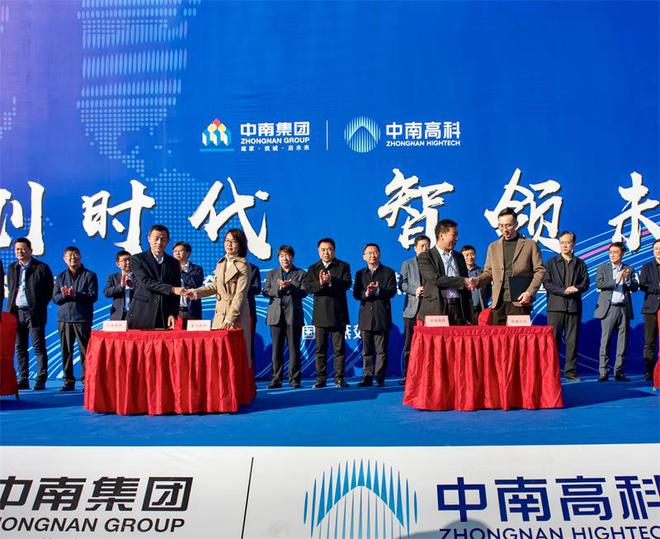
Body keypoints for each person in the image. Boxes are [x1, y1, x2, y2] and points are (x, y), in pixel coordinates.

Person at [186, 229, 253, 364]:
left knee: (235, 356)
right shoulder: (221, 263)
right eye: (227, 241)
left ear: (240, 244)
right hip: (220, 314)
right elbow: (215, 287)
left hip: (236, 316)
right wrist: (195, 292)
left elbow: (240, 294)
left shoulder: (244, 266)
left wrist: (230, 317)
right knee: (220, 356)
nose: (229, 244)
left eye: (233, 241)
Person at [476, 208, 546, 325]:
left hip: (520, 302)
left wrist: (529, 292)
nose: (504, 229)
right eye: (501, 226)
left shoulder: (530, 245)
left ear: (516, 224)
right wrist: (477, 281)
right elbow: (488, 273)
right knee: (498, 336)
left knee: (519, 336)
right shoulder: (493, 247)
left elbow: (540, 271)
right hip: (498, 303)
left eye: (508, 225)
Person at [6, 237, 54, 390]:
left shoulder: (41, 267)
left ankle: (41, 379)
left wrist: (38, 305)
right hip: (16, 313)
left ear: (30, 250)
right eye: (17, 249)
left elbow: (49, 290)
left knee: (38, 346)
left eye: (23, 249)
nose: (20, 251)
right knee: (20, 347)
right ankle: (23, 379)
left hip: (34, 313)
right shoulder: (12, 268)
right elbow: (12, 289)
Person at [304, 238, 352, 388]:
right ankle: (320, 379)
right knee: (320, 349)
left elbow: (347, 284)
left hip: (338, 314)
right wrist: (321, 283)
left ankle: (339, 379)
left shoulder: (343, 266)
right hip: (321, 315)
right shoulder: (313, 268)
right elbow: (308, 287)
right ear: (318, 251)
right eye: (323, 250)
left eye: (329, 249)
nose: (326, 252)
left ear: (334, 251)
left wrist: (331, 281)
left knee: (339, 349)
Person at [542, 231, 590, 382]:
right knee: (553, 341)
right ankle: (552, 372)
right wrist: (563, 290)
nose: (564, 245)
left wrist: (576, 288)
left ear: (573, 244)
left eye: (568, 242)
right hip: (555, 307)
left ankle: (570, 372)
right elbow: (547, 283)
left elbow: (585, 283)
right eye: (562, 242)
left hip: (574, 306)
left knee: (572, 341)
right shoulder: (551, 263)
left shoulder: (580, 264)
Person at [52, 246, 98, 391]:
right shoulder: (60, 276)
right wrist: (64, 295)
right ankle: (68, 381)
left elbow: (93, 296)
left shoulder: (89, 275)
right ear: (64, 259)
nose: (73, 258)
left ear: (80, 257)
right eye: (69, 256)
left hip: (82, 319)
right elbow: (55, 298)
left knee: (85, 351)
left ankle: (87, 381)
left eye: (76, 255)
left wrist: (76, 294)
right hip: (64, 319)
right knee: (66, 351)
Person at [262, 245, 307, 388]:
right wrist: (279, 288)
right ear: (278, 258)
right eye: (282, 256)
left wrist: (291, 287)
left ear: (292, 257)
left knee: (294, 349)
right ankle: (276, 379)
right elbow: (265, 291)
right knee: (276, 350)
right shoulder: (271, 273)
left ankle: (294, 379)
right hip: (276, 316)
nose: (285, 259)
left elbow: (304, 292)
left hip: (293, 316)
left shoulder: (301, 273)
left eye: (287, 255)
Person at [353, 243, 397, 387]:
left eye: (375, 252)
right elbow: (356, 294)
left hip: (381, 316)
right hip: (366, 317)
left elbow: (392, 291)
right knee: (367, 351)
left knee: (381, 351)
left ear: (380, 254)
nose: (372, 255)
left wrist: (378, 291)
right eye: (369, 253)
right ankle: (367, 377)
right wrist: (367, 292)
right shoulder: (360, 274)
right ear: (364, 256)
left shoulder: (388, 272)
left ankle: (379, 378)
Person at [594, 242, 638, 382]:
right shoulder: (603, 268)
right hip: (609, 308)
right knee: (605, 341)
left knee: (622, 342)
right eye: (610, 252)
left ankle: (619, 372)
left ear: (622, 254)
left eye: (615, 252)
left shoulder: (629, 269)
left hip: (624, 308)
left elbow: (635, 287)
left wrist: (627, 280)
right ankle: (603, 372)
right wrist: (616, 280)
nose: (612, 255)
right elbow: (599, 283)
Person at [128, 224, 185, 330]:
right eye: (156, 238)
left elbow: (176, 291)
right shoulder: (137, 259)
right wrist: (171, 289)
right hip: (142, 312)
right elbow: (145, 282)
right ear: (149, 239)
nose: (159, 242)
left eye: (163, 239)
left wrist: (173, 313)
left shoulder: (173, 263)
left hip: (164, 314)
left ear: (167, 241)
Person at [417, 219, 473, 325]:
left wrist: (469, 313)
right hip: (437, 308)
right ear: (441, 235)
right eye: (454, 235)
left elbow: (466, 288)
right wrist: (463, 281)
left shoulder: (459, 257)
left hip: (458, 308)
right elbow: (436, 279)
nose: (457, 238)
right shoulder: (425, 257)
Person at [398, 234, 430, 385]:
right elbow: (402, 284)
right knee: (409, 344)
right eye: (422, 246)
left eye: (427, 246)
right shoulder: (407, 264)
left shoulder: (434, 263)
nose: (425, 248)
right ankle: (408, 375)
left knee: (429, 344)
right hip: (412, 309)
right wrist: (415, 290)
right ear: (415, 247)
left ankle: (427, 375)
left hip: (430, 309)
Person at [639, 239, 660, 381]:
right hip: (650, 309)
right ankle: (649, 371)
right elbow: (642, 285)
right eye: (656, 248)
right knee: (649, 342)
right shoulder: (647, 267)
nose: (658, 251)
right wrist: (657, 289)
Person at [172, 241, 204, 326]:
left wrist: (181, 271)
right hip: (175, 311)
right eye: (175, 251)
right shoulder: (169, 269)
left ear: (188, 253)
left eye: (180, 251)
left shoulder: (197, 269)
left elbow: (195, 285)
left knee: (194, 334)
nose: (177, 253)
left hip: (192, 310)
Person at [460, 245, 492, 322]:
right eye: (467, 255)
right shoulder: (459, 273)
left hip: (479, 309)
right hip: (464, 310)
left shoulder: (483, 273)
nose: (470, 257)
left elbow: (488, 291)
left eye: (472, 254)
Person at [103, 250, 134, 321]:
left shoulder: (138, 277)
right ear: (118, 264)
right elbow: (106, 292)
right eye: (124, 260)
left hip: (135, 314)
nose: (128, 262)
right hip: (118, 315)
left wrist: (133, 286)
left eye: (129, 259)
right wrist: (120, 287)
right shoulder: (113, 277)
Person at [248, 263, 262, 368]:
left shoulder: (253, 268)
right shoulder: (224, 266)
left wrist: (242, 286)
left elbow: (257, 288)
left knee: (249, 344)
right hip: (228, 314)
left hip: (248, 312)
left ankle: (249, 375)